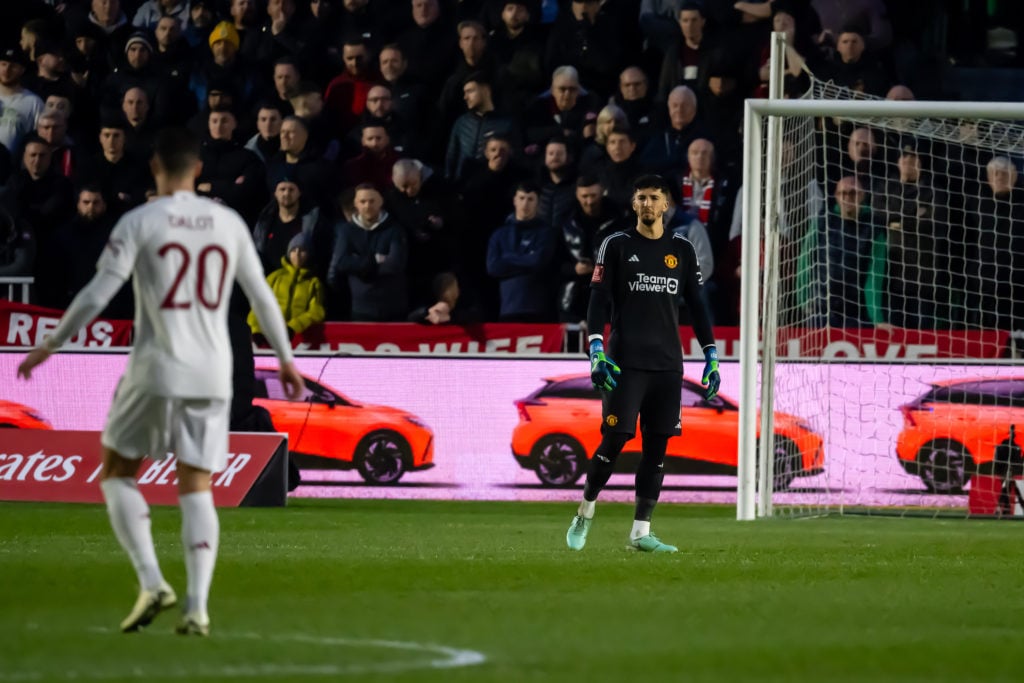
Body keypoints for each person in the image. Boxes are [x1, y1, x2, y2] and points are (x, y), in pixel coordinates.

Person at [16, 127, 303, 637]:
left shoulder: (141, 220)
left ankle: (152, 580)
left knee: (117, 472)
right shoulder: (228, 220)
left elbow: (99, 291)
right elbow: (260, 294)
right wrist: (283, 359)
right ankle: (197, 605)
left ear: (155, 170)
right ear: (198, 171)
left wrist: (51, 343)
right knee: (197, 486)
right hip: (213, 368)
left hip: (157, 363)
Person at [565, 174, 719, 554]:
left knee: (657, 446)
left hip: (668, 366)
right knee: (616, 439)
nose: (648, 204)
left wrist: (711, 354)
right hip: (625, 363)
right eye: (641, 198)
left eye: (654, 198)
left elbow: (697, 306)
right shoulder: (616, 245)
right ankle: (585, 511)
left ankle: (641, 532)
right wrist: (597, 350)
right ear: (634, 204)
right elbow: (598, 300)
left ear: (666, 204)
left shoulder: (682, 250)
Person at [249, 232, 325, 342]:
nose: (297, 254)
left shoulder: (314, 283)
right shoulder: (276, 277)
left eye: (302, 251)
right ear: (289, 253)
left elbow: (317, 312)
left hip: (297, 340)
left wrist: (293, 326)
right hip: (268, 336)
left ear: (309, 255)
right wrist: (256, 330)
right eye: (294, 250)